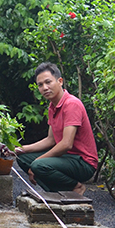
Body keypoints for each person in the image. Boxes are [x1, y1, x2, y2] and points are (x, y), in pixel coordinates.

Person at [14, 63, 98, 195]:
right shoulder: (52, 106)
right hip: (66, 158)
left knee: (37, 165)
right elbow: (50, 140)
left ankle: (75, 188)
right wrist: (18, 150)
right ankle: (57, 193)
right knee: (23, 159)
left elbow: (66, 144)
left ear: (60, 81)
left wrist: (37, 161)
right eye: (40, 85)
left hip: (83, 163)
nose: (44, 88)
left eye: (48, 82)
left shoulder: (71, 104)